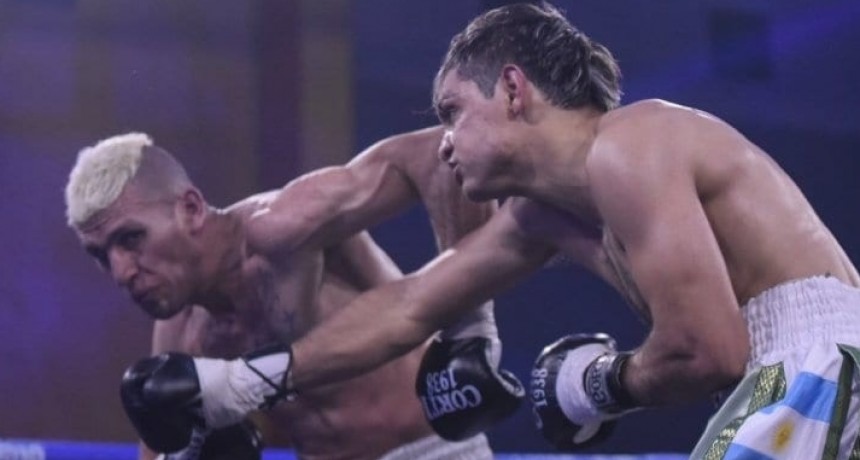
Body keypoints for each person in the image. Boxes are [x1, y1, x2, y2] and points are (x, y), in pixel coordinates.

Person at [112, 2, 860, 458]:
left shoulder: (633, 144)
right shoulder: (542, 217)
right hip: (800, 374)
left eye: (452, 113)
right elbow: (407, 309)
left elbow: (710, 349)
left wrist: (598, 383)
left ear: (511, 89)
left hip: (816, 360)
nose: (443, 144)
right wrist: (240, 382)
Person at [64, 126, 525, 460]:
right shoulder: (178, 331)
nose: (120, 271)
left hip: (428, 451)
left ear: (190, 208)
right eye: (100, 255)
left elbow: (440, 154)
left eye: (131, 238)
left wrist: (469, 327)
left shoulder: (282, 229)